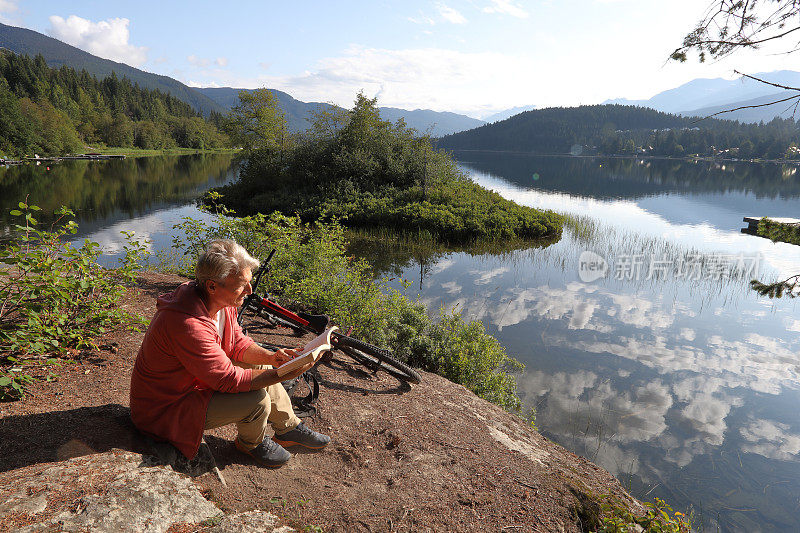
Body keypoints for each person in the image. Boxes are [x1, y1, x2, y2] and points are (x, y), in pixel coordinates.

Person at [130, 239, 330, 468]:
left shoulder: (221, 302)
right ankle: (251, 444)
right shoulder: (187, 324)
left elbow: (237, 343)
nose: (249, 291)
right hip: (165, 408)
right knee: (256, 400)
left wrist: (272, 358)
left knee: (263, 367)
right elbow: (227, 379)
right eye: (241, 285)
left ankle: (288, 428)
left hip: (192, 383)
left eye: (249, 282)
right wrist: (284, 374)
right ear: (212, 286)